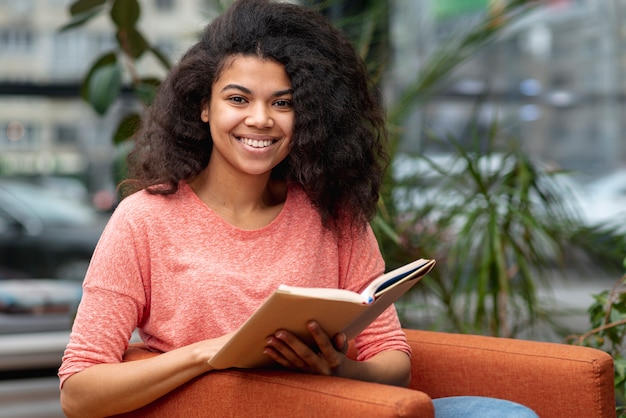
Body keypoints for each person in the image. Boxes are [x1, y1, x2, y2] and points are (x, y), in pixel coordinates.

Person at [58, 1, 538, 417]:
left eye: (282, 103)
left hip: (335, 407)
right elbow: (79, 391)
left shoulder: (335, 215)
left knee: (507, 413)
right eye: (238, 98)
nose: (261, 119)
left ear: (306, 114)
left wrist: (337, 366)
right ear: (204, 107)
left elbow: (393, 362)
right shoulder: (144, 219)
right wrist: (207, 354)